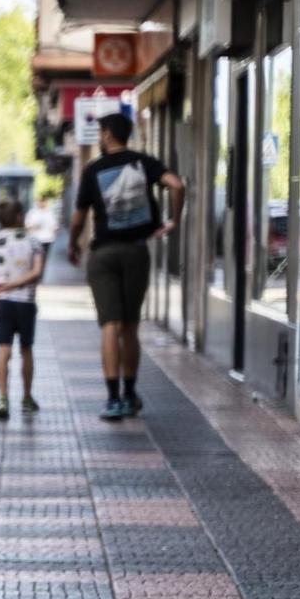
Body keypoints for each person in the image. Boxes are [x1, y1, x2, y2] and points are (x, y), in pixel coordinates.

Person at [68, 112, 185, 420]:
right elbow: (176, 184)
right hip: (136, 252)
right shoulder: (143, 162)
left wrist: (71, 245)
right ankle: (131, 393)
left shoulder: (93, 170)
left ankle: (112, 398)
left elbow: (79, 217)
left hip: (103, 253)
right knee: (130, 326)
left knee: (110, 325)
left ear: (108, 135)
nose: (99, 138)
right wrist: (174, 221)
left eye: (100, 133)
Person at [0, 200, 45, 421]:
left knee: (4, 350)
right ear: (20, 216)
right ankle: (27, 398)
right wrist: (15, 284)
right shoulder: (34, 242)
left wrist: (7, 286)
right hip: (26, 301)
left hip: (3, 301)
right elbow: (37, 272)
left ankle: (2, 397)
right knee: (26, 350)